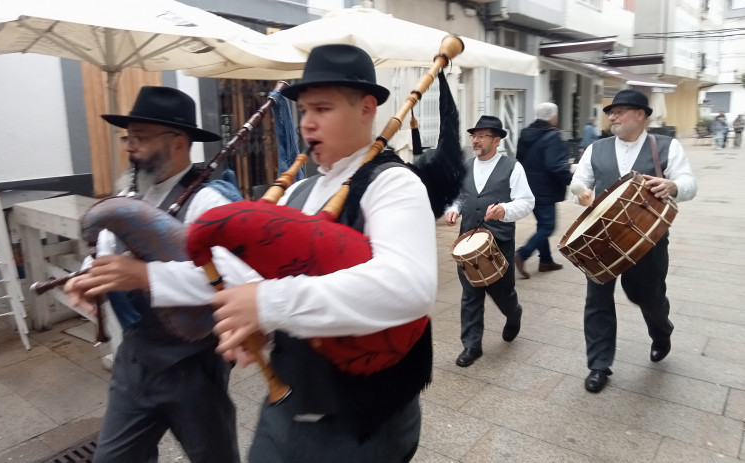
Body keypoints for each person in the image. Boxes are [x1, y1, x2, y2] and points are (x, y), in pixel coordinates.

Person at [208, 44, 437, 462]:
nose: (307, 123)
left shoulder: (394, 184)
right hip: (288, 406)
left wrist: (267, 304)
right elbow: (258, 279)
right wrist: (256, 323)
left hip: (364, 425)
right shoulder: (298, 191)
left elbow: (410, 286)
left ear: (367, 108)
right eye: (303, 111)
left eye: (322, 109)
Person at [64, 86, 247, 462]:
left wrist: (145, 277)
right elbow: (109, 252)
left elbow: (238, 281)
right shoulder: (132, 195)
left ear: (178, 142)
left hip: (193, 365)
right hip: (135, 362)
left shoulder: (209, 201)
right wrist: (87, 279)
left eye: (141, 138)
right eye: (128, 138)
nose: (130, 147)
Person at [571, 89, 697, 393]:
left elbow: (690, 183)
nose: (612, 116)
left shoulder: (666, 146)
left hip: (648, 240)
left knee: (648, 296)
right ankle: (599, 365)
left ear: (640, 115)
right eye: (611, 112)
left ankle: (661, 331)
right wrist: (581, 193)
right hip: (601, 240)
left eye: (620, 111)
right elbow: (578, 182)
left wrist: (674, 185)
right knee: (597, 300)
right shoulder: (596, 148)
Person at [445, 115, 535, 367]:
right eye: (474, 135)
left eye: (482, 136)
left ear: (496, 140)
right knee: (470, 294)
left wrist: (505, 210)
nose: (476, 140)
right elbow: (459, 197)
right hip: (468, 242)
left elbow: (527, 202)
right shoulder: (465, 166)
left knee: (501, 292)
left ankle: (513, 313)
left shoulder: (512, 167)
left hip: (499, 242)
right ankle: (472, 345)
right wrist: (452, 208)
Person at [514, 102, 573, 279]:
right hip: (544, 188)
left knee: (542, 224)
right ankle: (522, 254)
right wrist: (573, 181)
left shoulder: (525, 133)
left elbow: (519, 160)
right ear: (552, 117)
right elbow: (555, 165)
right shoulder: (552, 136)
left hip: (527, 186)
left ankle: (546, 261)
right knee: (548, 226)